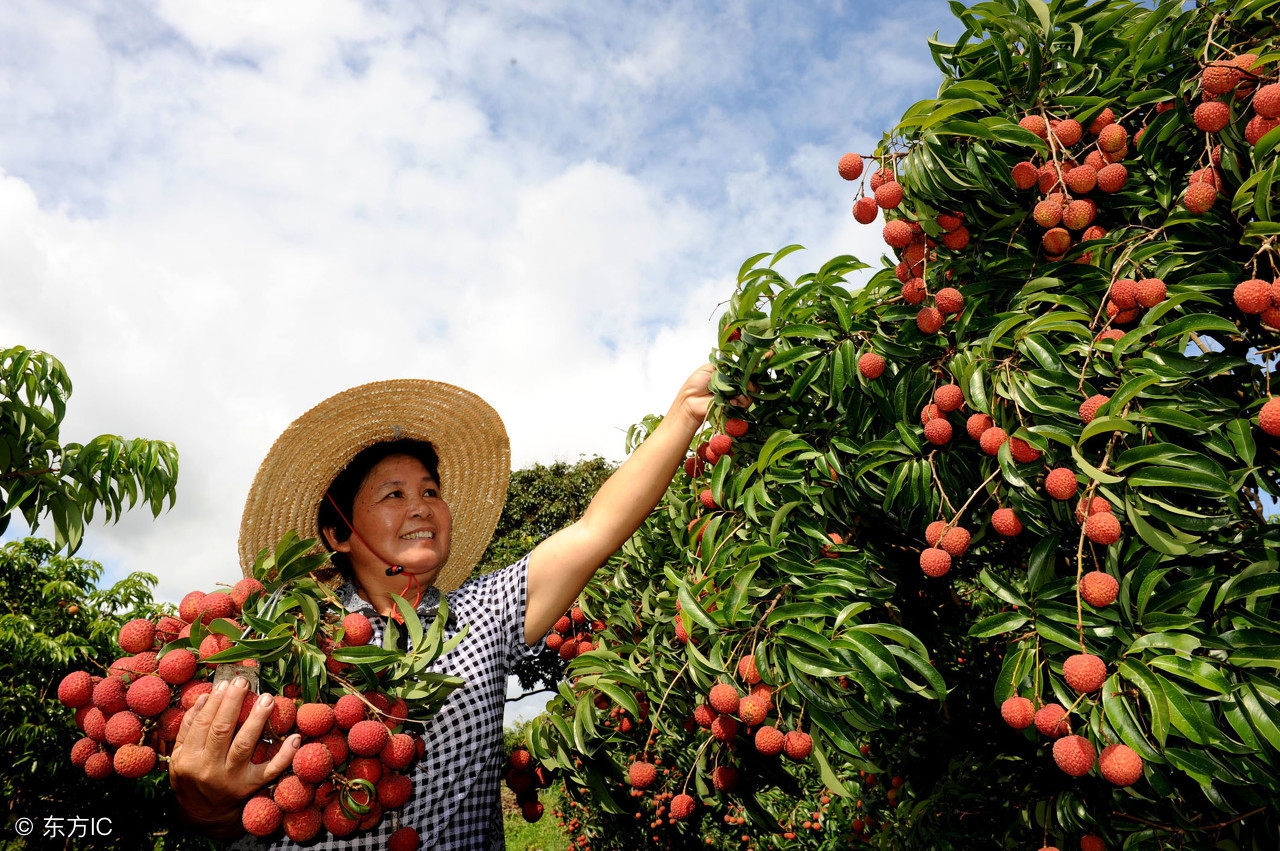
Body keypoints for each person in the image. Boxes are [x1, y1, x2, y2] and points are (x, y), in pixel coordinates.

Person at [169, 366, 718, 849]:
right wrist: (205, 802)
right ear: (339, 532)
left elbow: (596, 531)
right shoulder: (277, 639)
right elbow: (231, 812)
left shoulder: (484, 614)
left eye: (431, 492)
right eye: (394, 495)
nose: (422, 508)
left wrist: (685, 415)